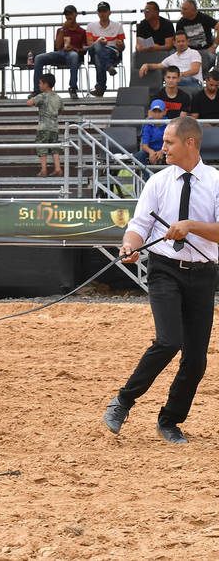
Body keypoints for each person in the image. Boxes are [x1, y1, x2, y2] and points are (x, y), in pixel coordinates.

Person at [105, 115, 219, 445]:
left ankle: (169, 421)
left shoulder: (215, 181)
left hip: (203, 274)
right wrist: (130, 245)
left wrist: (190, 225)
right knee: (169, 341)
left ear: (190, 143)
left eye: (169, 142)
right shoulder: (158, 181)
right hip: (164, 269)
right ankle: (123, 401)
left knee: (196, 361)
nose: (162, 147)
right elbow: (139, 225)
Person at [33, 4, 86, 99]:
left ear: (75, 14)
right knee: (38, 58)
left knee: (74, 55)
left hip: (73, 55)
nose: (68, 16)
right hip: (60, 53)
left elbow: (84, 49)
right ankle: (37, 90)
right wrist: (62, 29)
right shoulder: (61, 30)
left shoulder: (81, 31)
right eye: (66, 14)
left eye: (70, 14)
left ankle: (73, 88)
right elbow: (57, 47)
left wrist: (74, 49)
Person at [25, 73, 64, 177]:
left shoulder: (42, 96)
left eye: (40, 83)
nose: (39, 85)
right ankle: (58, 168)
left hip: (43, 127)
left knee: (42, 147)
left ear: (46, 84)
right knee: (54, 148)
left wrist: (33, 98)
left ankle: (44, 169)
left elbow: (29, 103)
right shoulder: (58, 97)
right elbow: (61, 110)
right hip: (54, 127)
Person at [86, 1, 126, 97]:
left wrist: (120, 44)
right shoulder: (91, 26)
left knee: (98, 57)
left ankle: (100, 88)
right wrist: (99, 42)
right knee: (98, 46)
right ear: (97, 13)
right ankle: (108, 66)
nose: (102, 13)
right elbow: (89, 44)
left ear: (109, 12)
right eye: (100, 11)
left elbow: (122, 48)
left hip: (111, 52)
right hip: (96, 50)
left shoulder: (118, 26)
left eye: (104, 11)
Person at [139, 32, 203, 90]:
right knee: (167, 84)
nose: (181, 43)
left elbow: (195, 70)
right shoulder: (171, 58)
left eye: (183, 41)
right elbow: (158, 65)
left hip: (194, 82)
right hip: (176, 82)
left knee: (171, 80)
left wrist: (178, 75)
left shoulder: (194, 53)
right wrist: (147, 65)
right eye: (178, 41)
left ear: (187, 42)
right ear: (174, 43)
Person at [135, 100, 168, 173]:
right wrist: (151, 152)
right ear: (150, 112)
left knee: (175, 154)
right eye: (154, 111)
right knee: (139, 155)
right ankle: (147, 177)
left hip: (165, 150)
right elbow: (144, 145)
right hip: (150, 151)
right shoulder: (147, 124)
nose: (157, 114)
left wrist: (162, 151)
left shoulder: (169, 124)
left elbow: (170, 143)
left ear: (164, 112)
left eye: (159, 111)